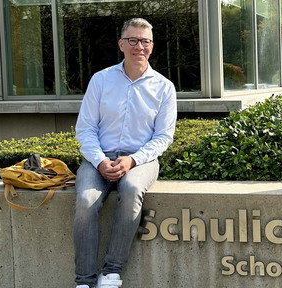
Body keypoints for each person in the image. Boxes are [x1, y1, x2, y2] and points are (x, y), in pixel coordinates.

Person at [73, 18, 177, 288]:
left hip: (141, 160)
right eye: (133, 40)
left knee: (131, 188)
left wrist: (132, 160)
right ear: (121, 44)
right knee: (85, 201)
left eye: (144, 41)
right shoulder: (101, 80)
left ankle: (111, 272)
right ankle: (84, 281)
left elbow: (164, 136)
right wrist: (99, 160)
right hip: (100, 158)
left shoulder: (164, 87)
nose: (139, 46)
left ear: (151, 47)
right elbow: (85, 129)